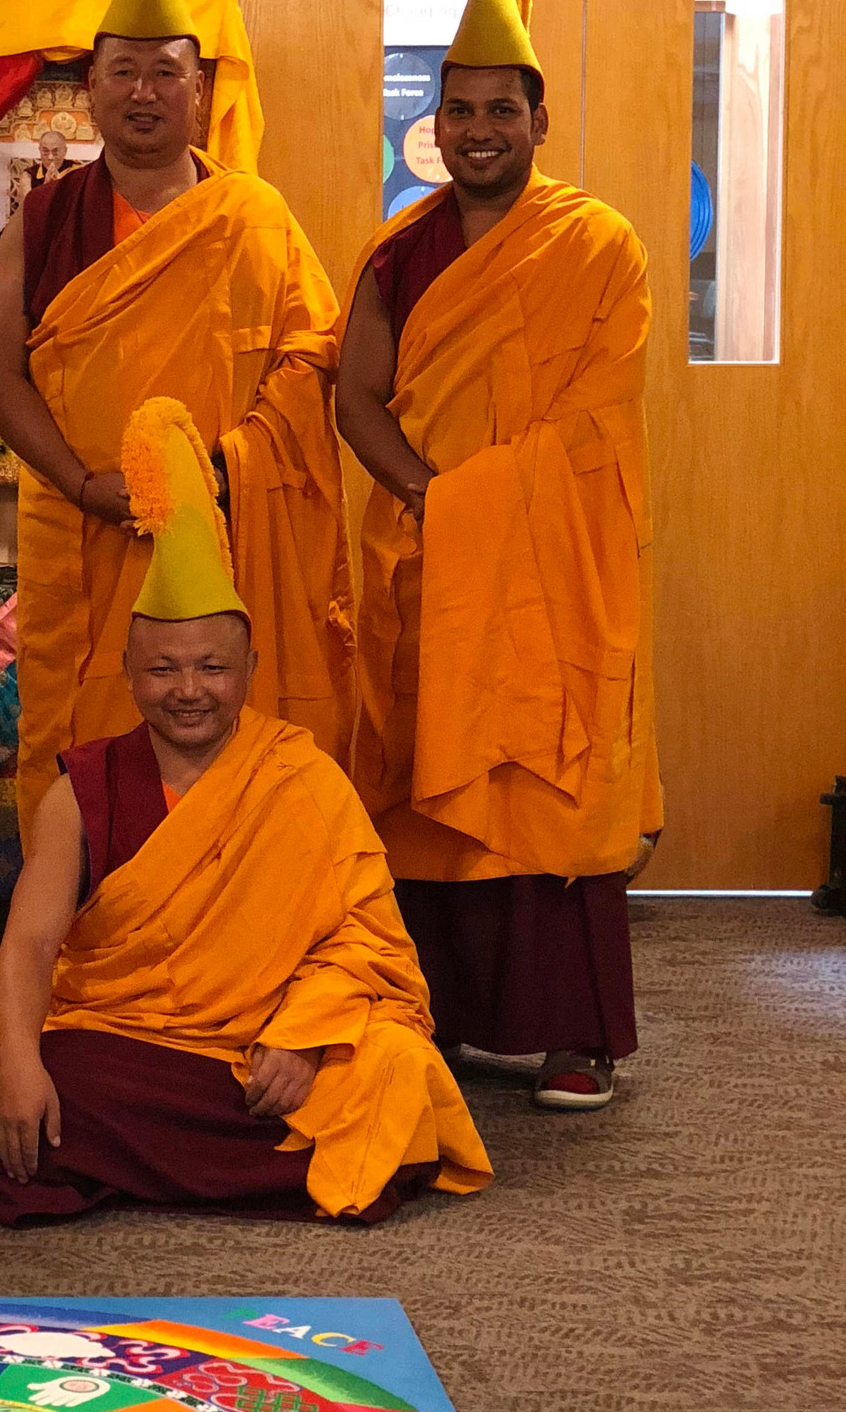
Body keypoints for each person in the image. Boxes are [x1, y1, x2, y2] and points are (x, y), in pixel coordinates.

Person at [0, 399, 490, 1227]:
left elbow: (368, 943)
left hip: (270, 1043)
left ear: (250, 668)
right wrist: (16, 1058)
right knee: (47, 1081)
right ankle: (250, 1167)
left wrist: (306, 1035)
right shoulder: (81, 789)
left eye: (212, 668)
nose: (189, 691)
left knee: (395, 1064)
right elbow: (29, 943)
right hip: (134, 1042)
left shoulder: (300, 776)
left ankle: (140, 1162)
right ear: (128, 671)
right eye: (164, 668)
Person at [335, 0, 660, 1111]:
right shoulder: (396, 250)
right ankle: (443, 1018)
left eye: (501, 112)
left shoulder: (600, 245)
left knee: (547, 778)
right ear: (436, 122)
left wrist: (481, 504)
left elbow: (597, 415)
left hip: (555, 564)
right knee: (425, 780)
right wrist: (435, 500)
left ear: (540, 120)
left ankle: (576, 1037)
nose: (480, 130)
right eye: (461, 110)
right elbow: (358, 398)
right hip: (428, 554)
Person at [0, 0, 355, 840]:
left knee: (234, 740)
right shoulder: (41, 224)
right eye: (123, 72)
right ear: (92, 87)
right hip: (87, 536)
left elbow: (311, 359)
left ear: (198, 89)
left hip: (229, 530)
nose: (143, 93)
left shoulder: (256, 217)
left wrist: (218, 471)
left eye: (165, 73)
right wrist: (82, 484)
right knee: (91, 742)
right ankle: (101, 938)